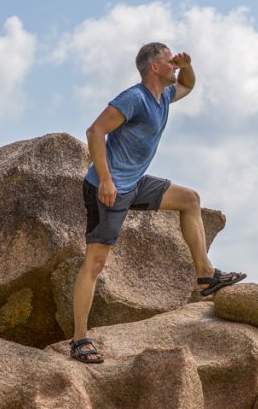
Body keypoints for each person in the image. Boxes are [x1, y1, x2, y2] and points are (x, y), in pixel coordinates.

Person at [69, 43, 246, 363]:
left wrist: (188, 65)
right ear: (154, 67)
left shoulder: (163, 96)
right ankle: (80, 338)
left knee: (189, 200)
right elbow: (95, 131)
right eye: (170, 61)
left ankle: (206, 275)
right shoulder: (134, 98)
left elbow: (188, 85)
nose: (174, 64)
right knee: (95, 263)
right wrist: (106, 181)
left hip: (135, 184)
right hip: (106, 188)